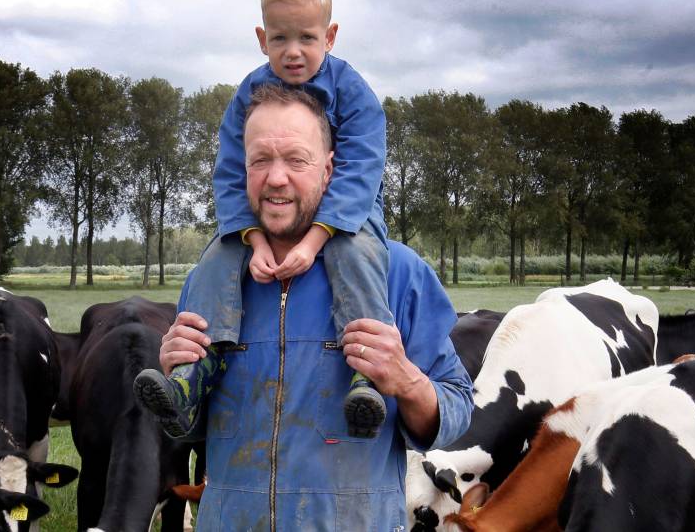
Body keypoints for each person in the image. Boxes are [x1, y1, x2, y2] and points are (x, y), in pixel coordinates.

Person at [160, 84, 473, 530]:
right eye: (260, 160)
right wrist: (177, 378)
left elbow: (456, 409)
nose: (276, 178)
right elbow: (193, 433)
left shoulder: (397, 273)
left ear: (329, 169)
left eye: (295, 159)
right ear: (241, 168)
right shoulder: (212, 281)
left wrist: (407, 381)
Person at [134, 0, 396, 440]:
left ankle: (367, 376)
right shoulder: (248, 93)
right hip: (259, 223)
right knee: (215, 256)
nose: (293, 52)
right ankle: (194, 374)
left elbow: (360, 172)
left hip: (346, 220)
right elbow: (232, 174)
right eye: (280, 39)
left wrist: (314, 241)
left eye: (307, 38)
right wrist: (254, 241)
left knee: (356, 254)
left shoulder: (355, 94)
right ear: (262, 38)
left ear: (331, 36)